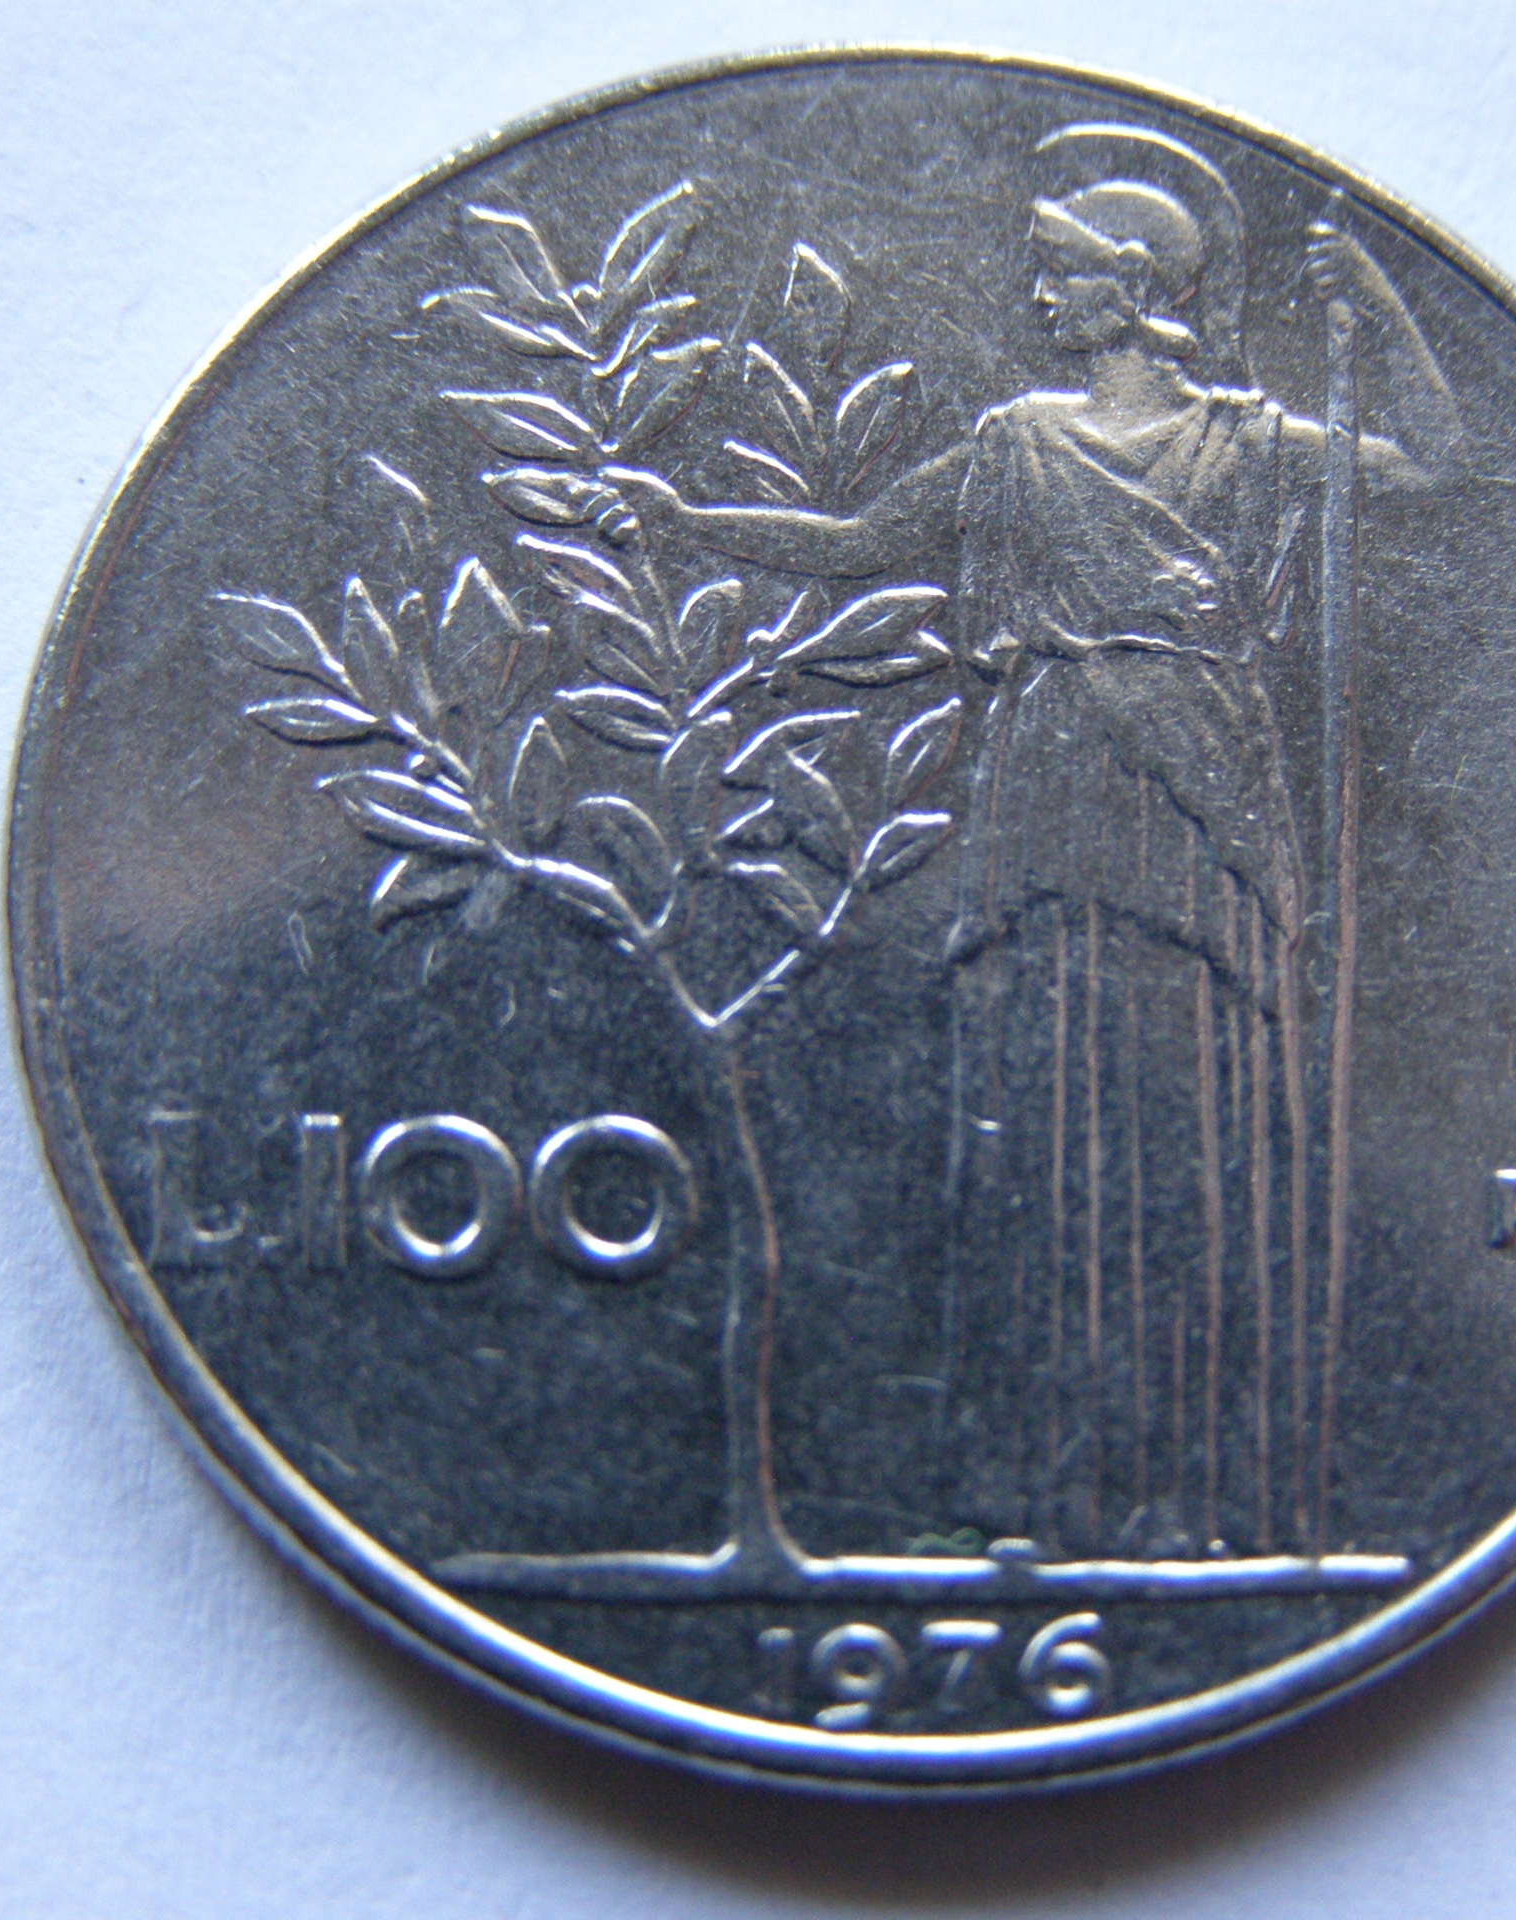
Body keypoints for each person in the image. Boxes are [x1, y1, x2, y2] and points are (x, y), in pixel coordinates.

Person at [607, 127, 1461, 1560]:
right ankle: (1034, 1497)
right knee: (1038, 1086)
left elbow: (1436, 466)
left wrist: (1375, 305)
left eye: (1061, 273)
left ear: (1133, 288)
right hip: (1051, 764)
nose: (1040, 295)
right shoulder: (1015, 442)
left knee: (1190, 1101)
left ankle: (1195, 1495)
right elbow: (858, 541)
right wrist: (684, 517)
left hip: (1197, 775)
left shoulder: (1253, 443)